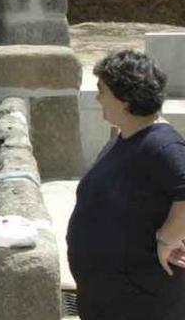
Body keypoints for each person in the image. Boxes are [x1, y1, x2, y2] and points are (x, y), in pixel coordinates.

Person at [67, 49, 185, 320]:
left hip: (141, 302)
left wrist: (168, 238)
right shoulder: (124, 138)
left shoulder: (162, 144)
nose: (97, 98)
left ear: (126, 100)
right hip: (110, 298)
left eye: (102, 91)